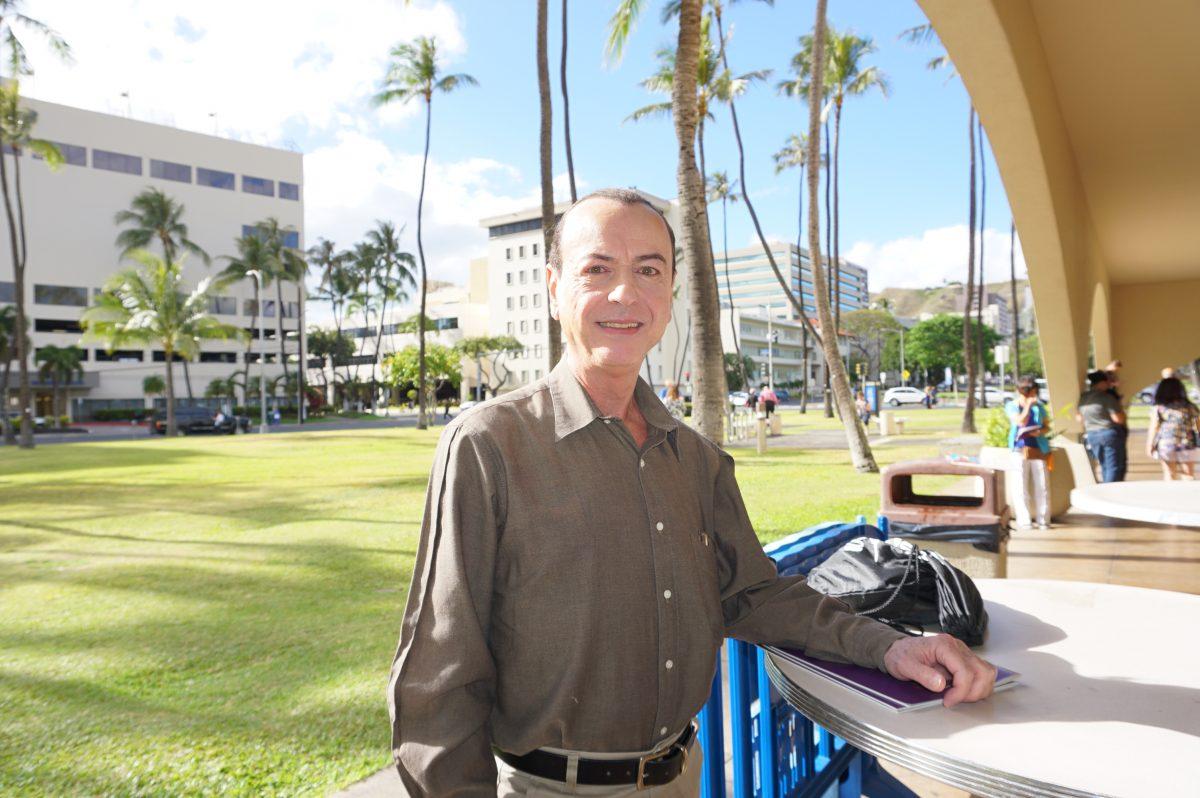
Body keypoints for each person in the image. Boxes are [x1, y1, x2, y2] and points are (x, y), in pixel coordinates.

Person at [388, 189, 997, 796]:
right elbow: (440, 669)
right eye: (597, 269)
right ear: (553, 287)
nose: (624, 293)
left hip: (683, 776)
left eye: (648, 270)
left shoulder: (697, 459)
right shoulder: (489, 445)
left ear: (670, 292)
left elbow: (756, 594)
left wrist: (891, 649)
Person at [1006, 375, 1052, 529]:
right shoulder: (1012, 405)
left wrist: (1040, 431)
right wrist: (1027, 406)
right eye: (1031, 391)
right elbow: (1020, 421)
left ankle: (1043, 519)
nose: (1033, 394)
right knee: (1020, 485)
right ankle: (1024, 520)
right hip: (1019, 448)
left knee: (1042, 485)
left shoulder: (1039, 407)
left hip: (1037, 448)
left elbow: (1046, 426)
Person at [1076, 370, 1128, 483]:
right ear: (1101, 383)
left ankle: (1106, 488)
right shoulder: (1106, 398)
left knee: (1104, 464)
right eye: (1107, 382)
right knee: (1113, 466)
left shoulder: (1084, 398)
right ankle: (1110, 491)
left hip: (1092, 434)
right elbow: (1118, 419)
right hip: (1109, 433)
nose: (1109, 384)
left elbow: (1079, 418)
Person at [1146, 376, 1199, 481]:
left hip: (1166, 444)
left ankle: (1170, 496)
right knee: (1188, 474)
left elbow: (1154, 427)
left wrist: (1150, 445)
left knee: (1169, 474)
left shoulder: (1159, 407)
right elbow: (1198, 424)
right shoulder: (1190, 406)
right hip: (1187, 443)